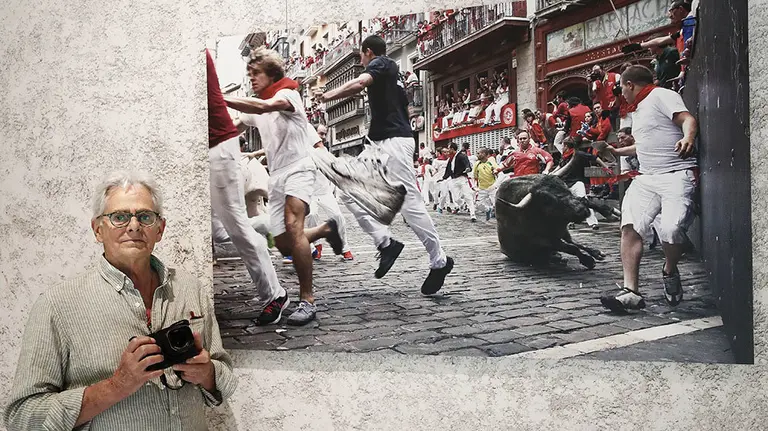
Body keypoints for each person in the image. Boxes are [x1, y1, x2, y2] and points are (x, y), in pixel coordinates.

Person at [3, 171, 237, 431]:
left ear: (160, 230)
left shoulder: (190, 289)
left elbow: (224, 379)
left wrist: (207, 375)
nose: (134, 226)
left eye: (145, 217)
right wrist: (117, 386)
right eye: (119, 217)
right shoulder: (57, 305)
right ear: (97, 230)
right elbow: (22, 418)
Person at [317, 35, 454, 295]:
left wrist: (327, 96)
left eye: (361, 56)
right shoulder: (393, 77)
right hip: (380, 145)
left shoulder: (383, 63)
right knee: (347, 190)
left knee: (409, 205)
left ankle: (439, 261)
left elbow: (360, 82)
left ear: (368, 52)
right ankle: (385, 243)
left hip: (393, 144)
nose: (362, 61)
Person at [224, 46, 344, 325]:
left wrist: (221, 98)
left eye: (256, 73)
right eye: (249, 73)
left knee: (294, 226)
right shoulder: (257, 106)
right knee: (285, 246)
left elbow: (265, 106)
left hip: (300, 167)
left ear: (271, 74)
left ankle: (307, 301)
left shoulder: (287, 95)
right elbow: (236, 126)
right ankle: (327, 229)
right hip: (276, 176)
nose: (252, 78)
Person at [600, 65, 698, 312]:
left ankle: (669, 269)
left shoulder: (661, 95)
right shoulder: (639, 109)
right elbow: (644, 145)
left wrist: (688, 138)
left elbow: (687, 119)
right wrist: (617, 151)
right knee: (630, 226)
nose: (621, 92)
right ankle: (630, 291)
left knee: (672, 230)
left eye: (621, 87)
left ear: (630, 84)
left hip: (676, 175)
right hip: (646, 177)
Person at [205, 49, 286, 325]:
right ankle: (266, 226)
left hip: (216, 150)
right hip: (215, 147)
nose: (252, 78)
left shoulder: (194, 52)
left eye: (256, 73)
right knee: (218, 232)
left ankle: (274, 295)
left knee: (237, 228)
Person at [305, 123, 355, 261]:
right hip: (310, 193)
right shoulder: (304, 150)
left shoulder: (324, 151)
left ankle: (345, 248)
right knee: (312, 215)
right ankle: (317, 246)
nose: (323, 137)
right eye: (320, 134)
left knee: (338, 216)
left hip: (325, 192)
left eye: (324, 134)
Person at [442, 142, 477, 221]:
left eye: (448, 148)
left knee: (467, 195)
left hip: (462, 178)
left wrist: (467, 168)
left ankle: (472, 214)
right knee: (456, 198)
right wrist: (444, 177)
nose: (448, 150)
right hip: (454, 179)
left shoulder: (461, 156)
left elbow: (467, 163)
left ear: (452, 149)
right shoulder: (450, 158)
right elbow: (448, 169)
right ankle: (463, 204)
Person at [472, 147, 498, 221]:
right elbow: (475, 176)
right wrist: (475, 186)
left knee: (496, 204)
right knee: (478, 205)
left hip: (492, 188)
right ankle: (487, 210)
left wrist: (495, 185)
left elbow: (498, 172)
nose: (477, 155)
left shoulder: (491, 163)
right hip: (482, 188)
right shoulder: (477, 164)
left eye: (478, 153)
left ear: (483, 154)